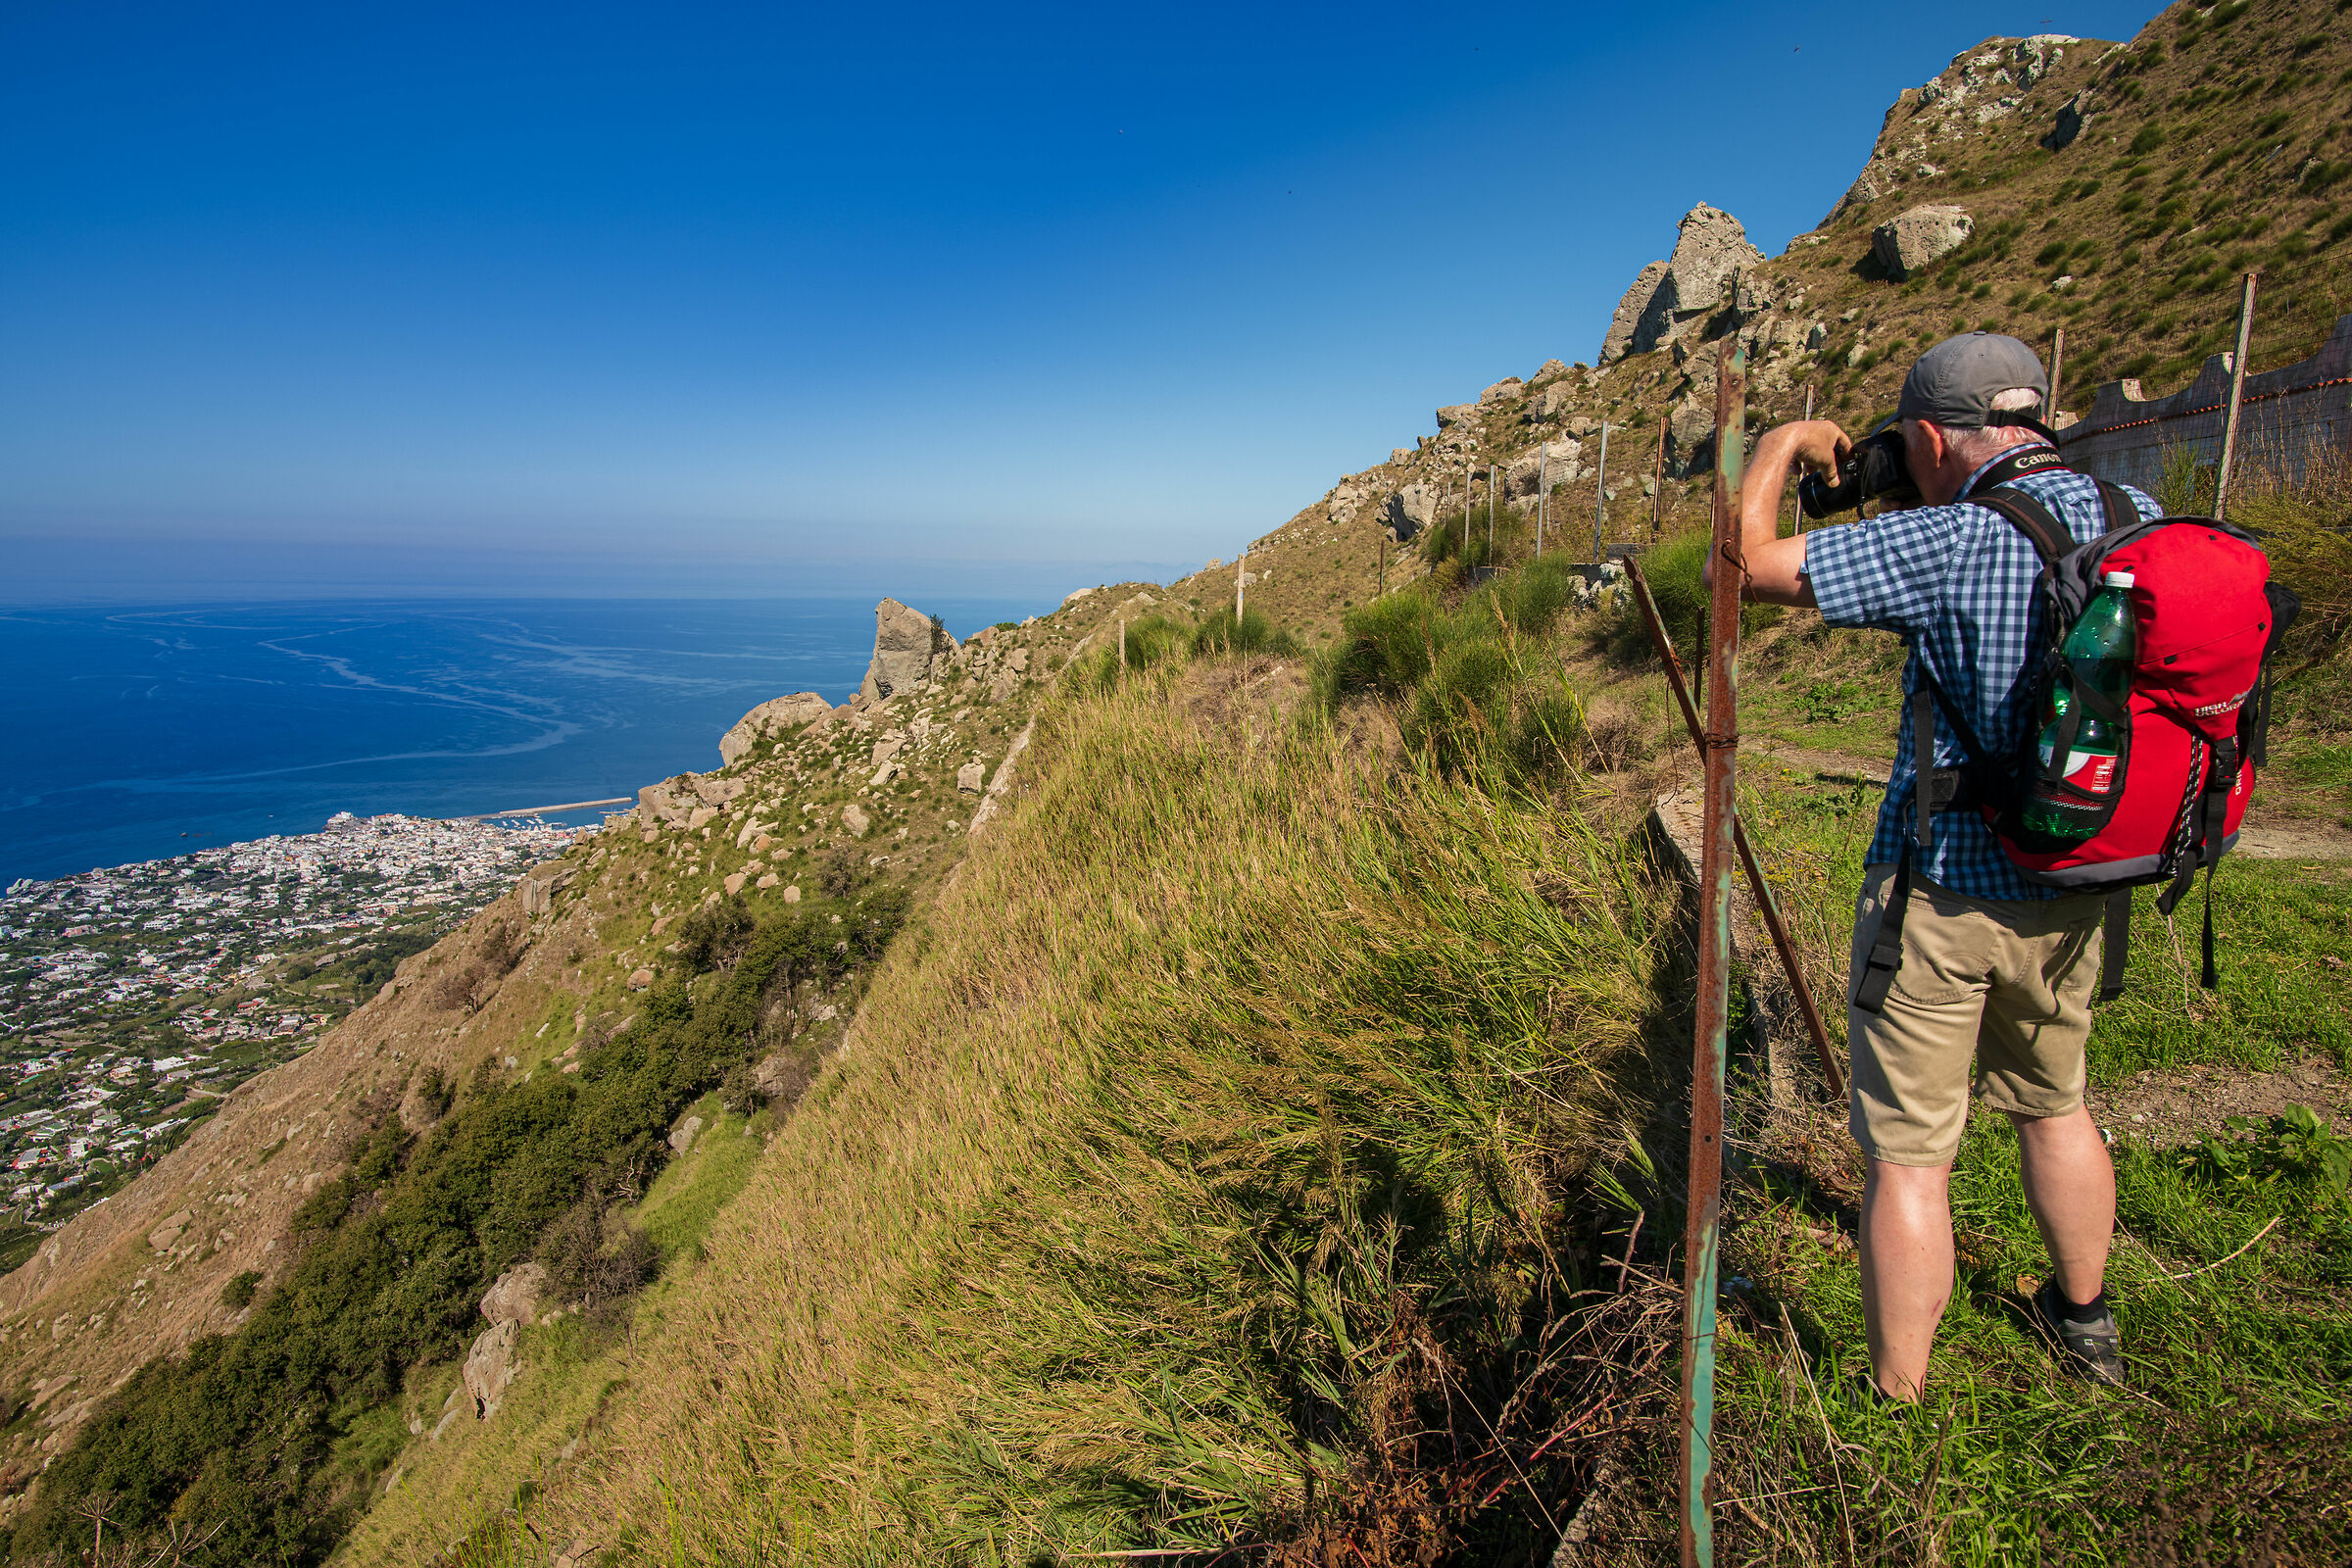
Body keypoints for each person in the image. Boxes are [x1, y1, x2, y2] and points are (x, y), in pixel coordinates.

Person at [1704, 333, 2158, 1400]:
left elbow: (1750, 563)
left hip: (1943, 891)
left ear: (1925, 436)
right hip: (2079, 876)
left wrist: (1777, 445)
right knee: (2057, 1104)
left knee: (1911, 1159)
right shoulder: (2133, 512)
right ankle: (2084, 1321)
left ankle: (1897, 1399)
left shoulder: (1954, 539)